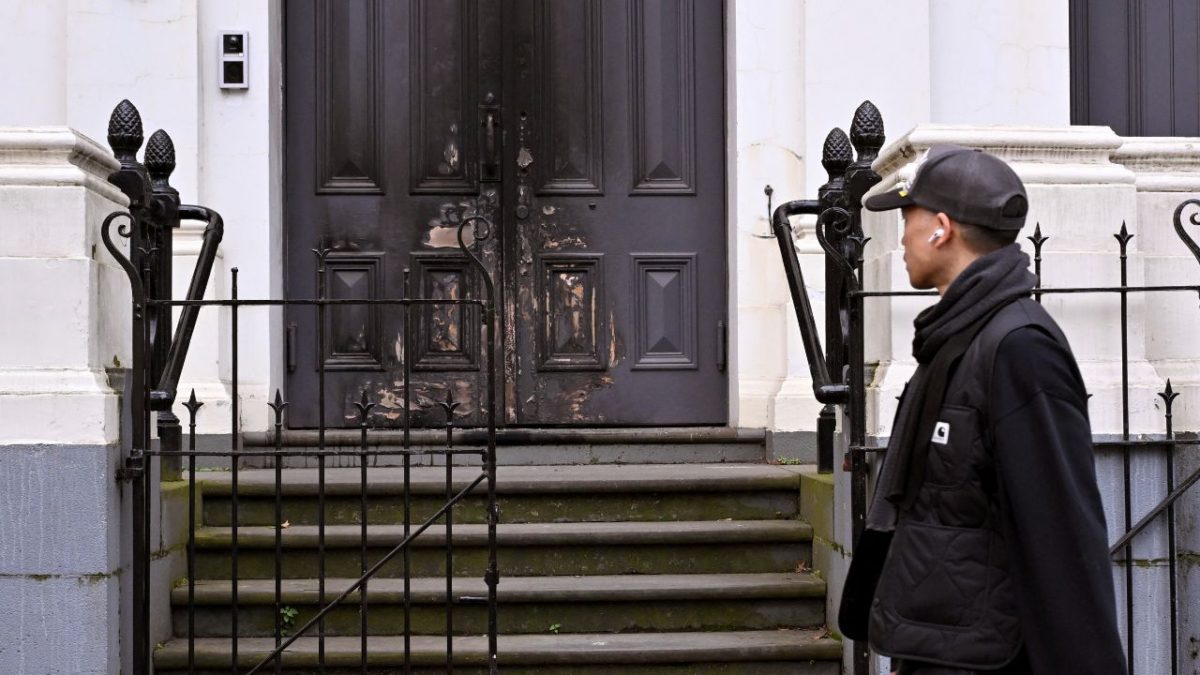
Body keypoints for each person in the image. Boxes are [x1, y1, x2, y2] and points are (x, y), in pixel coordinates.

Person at [837, 144, 1128, 674]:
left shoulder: (1020, 347)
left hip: (983, 657)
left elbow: (1060, 534)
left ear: (940, 228)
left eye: (907, 218)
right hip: (940, 643)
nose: (900, 237)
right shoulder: (955, 336)